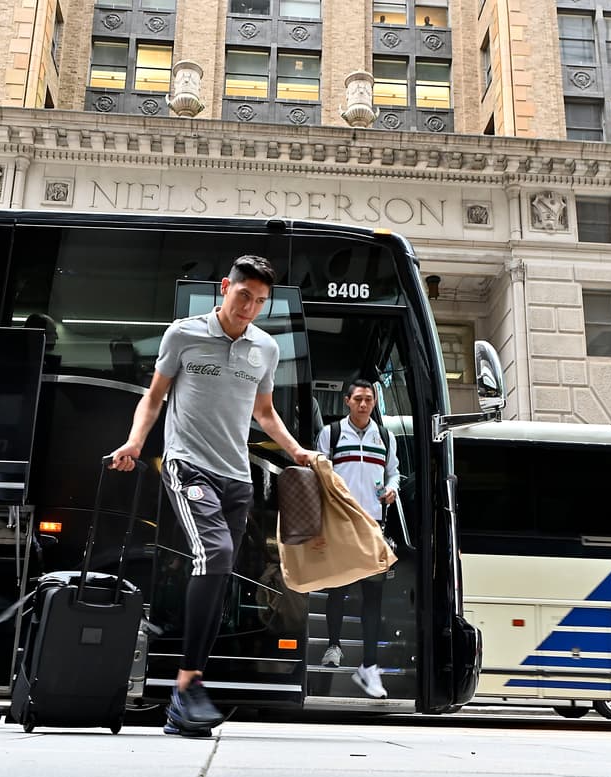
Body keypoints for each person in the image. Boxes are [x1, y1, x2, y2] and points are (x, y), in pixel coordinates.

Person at [109, 255, 314, 738]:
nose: (250, 309)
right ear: (225, 288)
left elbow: (264, 412)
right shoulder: (183, 334)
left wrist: (297, 451)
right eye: (244, 296)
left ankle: (187, 692)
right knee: (217, 553)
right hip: (187, 464)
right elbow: (155, 396)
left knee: (218, 572)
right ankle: (186, 686)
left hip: (237, 478)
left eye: (260, 302)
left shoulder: (266, 348)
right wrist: (136, 442)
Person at [315, 378, 399, 699]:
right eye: (358, 399)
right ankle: (334, 646)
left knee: (372, 595)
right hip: (340, 522)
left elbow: (393, 472)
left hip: (373, 524)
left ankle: (370, 665)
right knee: (338, 588)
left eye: (369, 399)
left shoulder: (385, 437)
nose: (364, 404)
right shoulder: (332, 433)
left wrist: (392, 488)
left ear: (374, 402)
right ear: (347, 401)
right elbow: (320, 472)